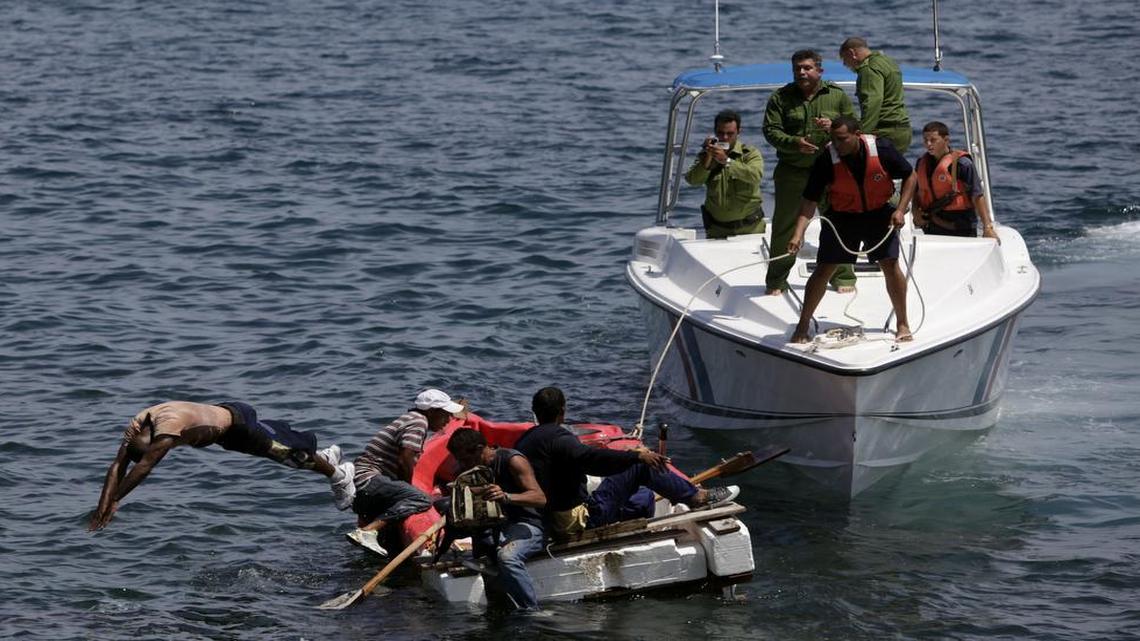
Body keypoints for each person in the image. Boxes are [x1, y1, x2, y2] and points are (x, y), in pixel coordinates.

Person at [89, 400, 355, 531]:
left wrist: (117, 500)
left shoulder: (167, 430)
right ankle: (324, 456)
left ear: (156, 444)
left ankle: (339, 474)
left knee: (291, 456)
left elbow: (145, 467)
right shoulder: (138, 425)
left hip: (238, 425)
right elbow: (117, 465)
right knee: (289, 447)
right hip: (222, 431)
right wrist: (103, 505)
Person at [514, 387, 738, 541]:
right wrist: (635, 456)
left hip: (549, 519)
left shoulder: (524, 442)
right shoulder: (560, 439)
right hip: (579, 522)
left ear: (535, 412)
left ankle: (661, 499)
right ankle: (696, 497)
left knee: (643, 498)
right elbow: (592, 460)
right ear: (562, 412)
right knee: (639, 467)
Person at [786, 116, 917, 344]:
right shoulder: (827, 159)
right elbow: (809, 200)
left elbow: (910, 175)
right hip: (842, 217)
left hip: (879, 214)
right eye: (834, 139)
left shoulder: (882, 149)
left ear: (857, 135)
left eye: (842, 139)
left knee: (890, 264)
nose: (837, 144)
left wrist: (900, 209)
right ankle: (803, 324)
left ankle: (902, 323)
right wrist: (798, 234)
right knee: (824, 268)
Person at [763, 49, 858, 295]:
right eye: (797, 68)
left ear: (819, 70)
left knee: (837, 223)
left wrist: (833, 127)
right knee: (785, 227)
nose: (802, 72)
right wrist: (794, 143)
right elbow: (770, 131)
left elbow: (853, 127)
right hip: (792, 171)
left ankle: (843, 275)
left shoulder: (836, 95)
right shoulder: (780, 98)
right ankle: (776, 281)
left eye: (807, 68)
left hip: (830, 171)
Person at [347, 388, 465, 555]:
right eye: (446, 414)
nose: (449, 419)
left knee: (389, 542)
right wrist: (409, 490)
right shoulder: (419, 422)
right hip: (369, 479)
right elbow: (405, 459)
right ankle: (368, 531)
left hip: (363, 482)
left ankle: (377, 539)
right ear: (432, 411)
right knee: (422, 499)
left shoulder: (410, 418)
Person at [446, 428, 546, 611]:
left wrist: (506, 497)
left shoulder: (512, 460)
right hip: (493, 527)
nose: (463, 465)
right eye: (460, 460)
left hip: (526, 524)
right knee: (480, 556)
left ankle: (531, 610)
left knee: (507, 557)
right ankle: (499, 606)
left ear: (479, 449)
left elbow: (540, 498)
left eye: (466, 460)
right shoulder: (468, 470)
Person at [684, 109, 766, 239]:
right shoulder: (707, 154)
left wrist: (726, 161)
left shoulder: (749, 153)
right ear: (715, 132)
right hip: (718, 231)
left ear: (739, 132)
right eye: (721, 133)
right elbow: (693, 180)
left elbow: (755, 176)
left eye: (730, 133)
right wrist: (707, 159)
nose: (725, 138)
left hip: (751, 229)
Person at [913, 121, 1000, 241]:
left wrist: (987, 227)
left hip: (960, 225)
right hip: (932, 224)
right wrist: (915, 212)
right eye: (925, 140)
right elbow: (916, 191)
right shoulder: (921, 163)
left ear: (946, 140)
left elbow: (977, 195)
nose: (928, 144)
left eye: (933, 140)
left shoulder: (962, 164)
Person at [839, 37, 912, 152]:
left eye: (844, 59)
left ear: (852, 53)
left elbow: (872, 102)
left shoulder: (868, 69)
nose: (844, 64)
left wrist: (862, 134)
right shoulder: (887, 62)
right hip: (902, 130)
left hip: (885, 132)